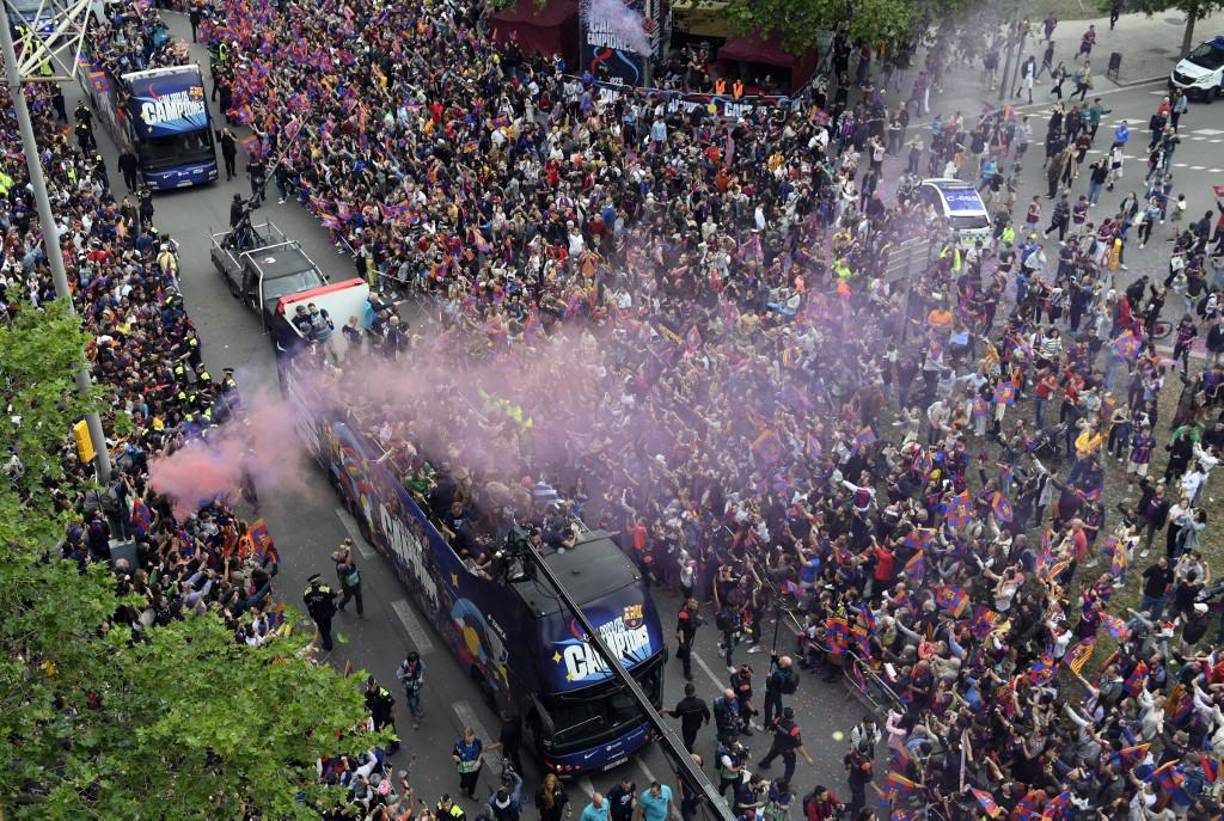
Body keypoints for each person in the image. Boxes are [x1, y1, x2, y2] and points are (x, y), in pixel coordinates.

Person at [756, 707, 815, 786]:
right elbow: (799, 745)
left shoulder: (779, 720)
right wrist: (807, 757)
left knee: (772, 754)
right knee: (790, 767)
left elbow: (771, 727)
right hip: (787, 750)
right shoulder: (794, 729)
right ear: (792, 715)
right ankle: (785, 783)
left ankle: (763, 763)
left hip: (776, 744)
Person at [665, 682, 710, 752]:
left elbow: (676, 715)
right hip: (697, 724)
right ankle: (690, 745)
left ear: (685, 692)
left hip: (687, 726)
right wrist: (707, 720)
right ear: (694, 691)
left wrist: (668, 711)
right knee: (693, 735)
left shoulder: (682, 705)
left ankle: (688, 751)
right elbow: (707, 713)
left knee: (687, 739)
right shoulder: (701, 702)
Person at [302, 573, 338, 652]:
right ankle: (329, 644)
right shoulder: (326, 589)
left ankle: (327, 642)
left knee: (322, 630)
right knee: (328, 624)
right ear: (318, 582)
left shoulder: (307, 592)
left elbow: (307, 602)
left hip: (317, 614)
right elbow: (333, 595)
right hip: (328, 612)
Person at [364, 675, 399, 754]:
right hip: (375, 718)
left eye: (371, 686)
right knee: (377, 732)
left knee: (390, 734)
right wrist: (367, 710)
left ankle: (395, 746)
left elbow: (392, 705)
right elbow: (366, 703)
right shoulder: (367, 693)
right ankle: (380, 742)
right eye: (369, 686)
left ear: (375, 685)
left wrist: (391, 715)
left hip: (385, 718)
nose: (370, 688)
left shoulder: (383, 694)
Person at [762, 654, 798, 728]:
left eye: (782, 659)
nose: (780, 659)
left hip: (772, 691)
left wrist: (768, 678)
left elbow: (770, 684)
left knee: (768, 706)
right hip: (779, 691)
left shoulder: (777, 675)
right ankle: (778, 717)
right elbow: (780, 663)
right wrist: (775, 657)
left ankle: (767, 723)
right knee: (778, 702)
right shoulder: (789, 669)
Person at [331, 538, 363, 617]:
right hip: (347, 585)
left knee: (359, 596)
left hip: (355, 581)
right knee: (347, 598)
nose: (340, 554)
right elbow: (347, 564)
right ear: (337, 559)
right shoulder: (339, 566)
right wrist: (348, 550)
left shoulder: (345, 556)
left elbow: (353, 560)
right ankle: (340, 605)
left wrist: (349, 547)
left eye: (339, 553)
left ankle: (360, 613)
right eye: (338, 555)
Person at [453, 726, 486, 800]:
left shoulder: (477, 742)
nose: (470, 740)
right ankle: (463, 786)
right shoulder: (459, 744)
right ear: (465, 736)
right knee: (466, 780)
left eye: (471, 738)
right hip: (464, 766)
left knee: (474, 780)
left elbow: (481, 751)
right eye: (468, 738)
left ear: (474, 735)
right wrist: (457, 759)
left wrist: (478, 761)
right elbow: (454, 754)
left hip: (475, 765)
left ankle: (471, 793)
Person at [395, 649, 426, 729]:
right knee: (413, 703)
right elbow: (398, 675)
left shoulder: (419, 662)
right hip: (408, 687)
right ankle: (415, 718)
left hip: (416, 685)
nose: (415, 663)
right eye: (413, 662)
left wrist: (421, 677)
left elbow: (422, 668)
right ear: (410, 661)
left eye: (415, 661)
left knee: (418, 697)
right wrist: (405, 675)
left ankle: (416, 706)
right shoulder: (404, 665)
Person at [674, 597, 701, 681]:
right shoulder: (683, 614)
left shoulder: (695, 610)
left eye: (695, 603)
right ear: (688, 603)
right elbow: (681, 628)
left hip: (690, 633)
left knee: (684, 647)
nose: (694, 605)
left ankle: (679, 654)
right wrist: (682, 641)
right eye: (692, 603)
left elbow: (695, 617)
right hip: (684, 634)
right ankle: (687, 673)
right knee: (686, 654)